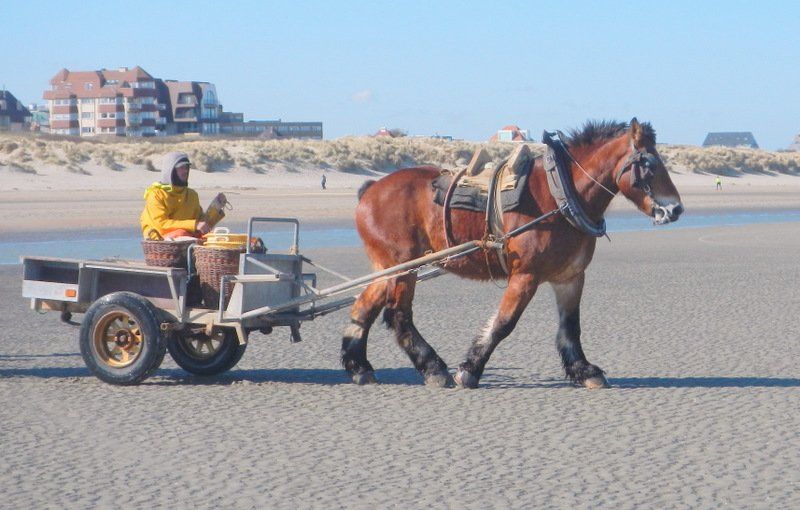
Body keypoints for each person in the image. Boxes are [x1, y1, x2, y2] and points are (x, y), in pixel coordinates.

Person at [140, 151, 227, 240]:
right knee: (182, 233)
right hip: (160, 240)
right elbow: (161, 225)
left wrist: (216, 208)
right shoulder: (156, 194)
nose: (185, 171)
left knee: (213, 237)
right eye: (181, 168)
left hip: (187, 240)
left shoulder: (192, 195)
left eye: (186, 167)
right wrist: (194, 225)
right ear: (171, 170)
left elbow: (202, 224)